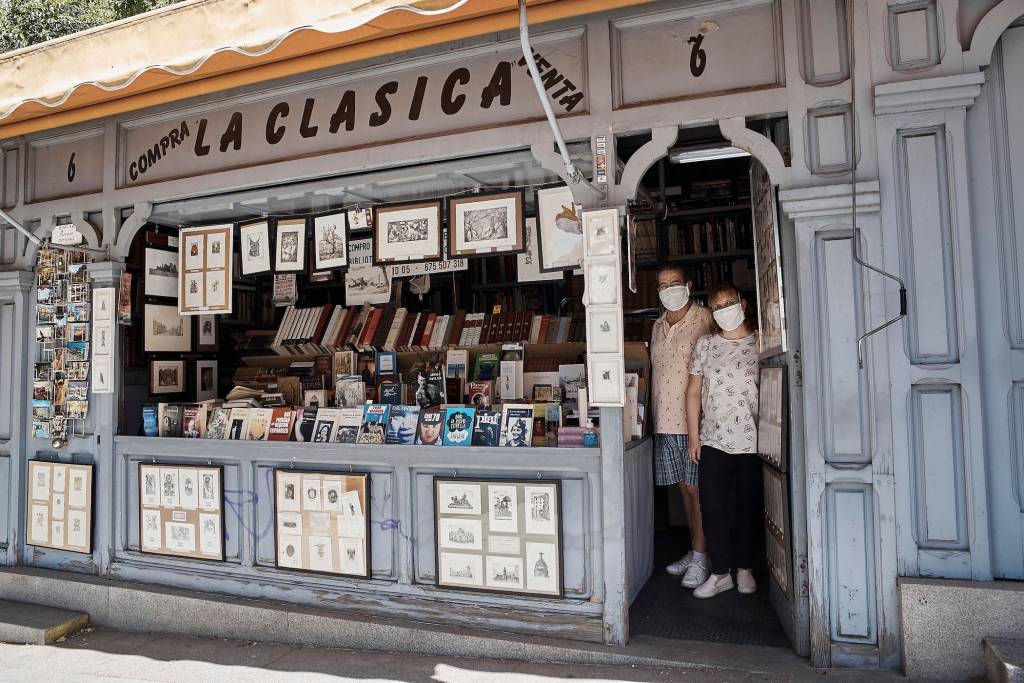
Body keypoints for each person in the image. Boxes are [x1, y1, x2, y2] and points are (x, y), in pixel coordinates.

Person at [685, 283, 760, 599]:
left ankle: (744, 568)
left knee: (748, 505)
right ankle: (720, 573)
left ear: (742, 304)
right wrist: (693, 436)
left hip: (754, 440)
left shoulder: (762, 342)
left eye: (728, 302)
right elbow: (692, 392)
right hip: (713, 438)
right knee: (712, 507)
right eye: (717, 306)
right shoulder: (705, 345)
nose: (724, 309)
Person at [649, 264, 714, 589]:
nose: (669, 289)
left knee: (698, 491)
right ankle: (696, 549)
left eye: (675, 282)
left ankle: (704, 556)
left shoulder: (705, 319)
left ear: (688, 284)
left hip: (695, 422)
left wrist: (700, 425)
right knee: (683, 491)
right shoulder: (658, 325)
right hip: (665, 421)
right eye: (663, 285)